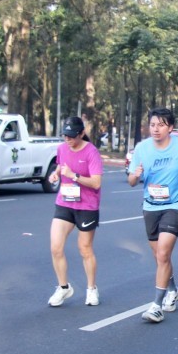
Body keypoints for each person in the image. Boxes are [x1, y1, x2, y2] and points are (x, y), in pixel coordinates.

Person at [128, 108, 178, 322]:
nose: (156, 129)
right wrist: (136, 175)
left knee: (162, 254)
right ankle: (173, 290)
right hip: (151, 206)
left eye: (161, 125)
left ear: (170, 127)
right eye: (152, 125)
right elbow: (131, 181)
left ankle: (156, 306)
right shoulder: (142, 148)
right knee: (160, 256)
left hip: (176, 204)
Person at [46, 116, 104, 307]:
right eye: (65, 135)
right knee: (55, 247)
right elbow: (61, 166)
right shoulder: (62, 148)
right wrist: (56, 174)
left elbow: (96, 183)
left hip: (87, 205)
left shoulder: (91, 152)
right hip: (65, 202)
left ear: (81, 134)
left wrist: (74, 176)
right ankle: (64, 287)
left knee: (84, 248)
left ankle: (91, 288)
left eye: (71, 136)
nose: (68, 139)